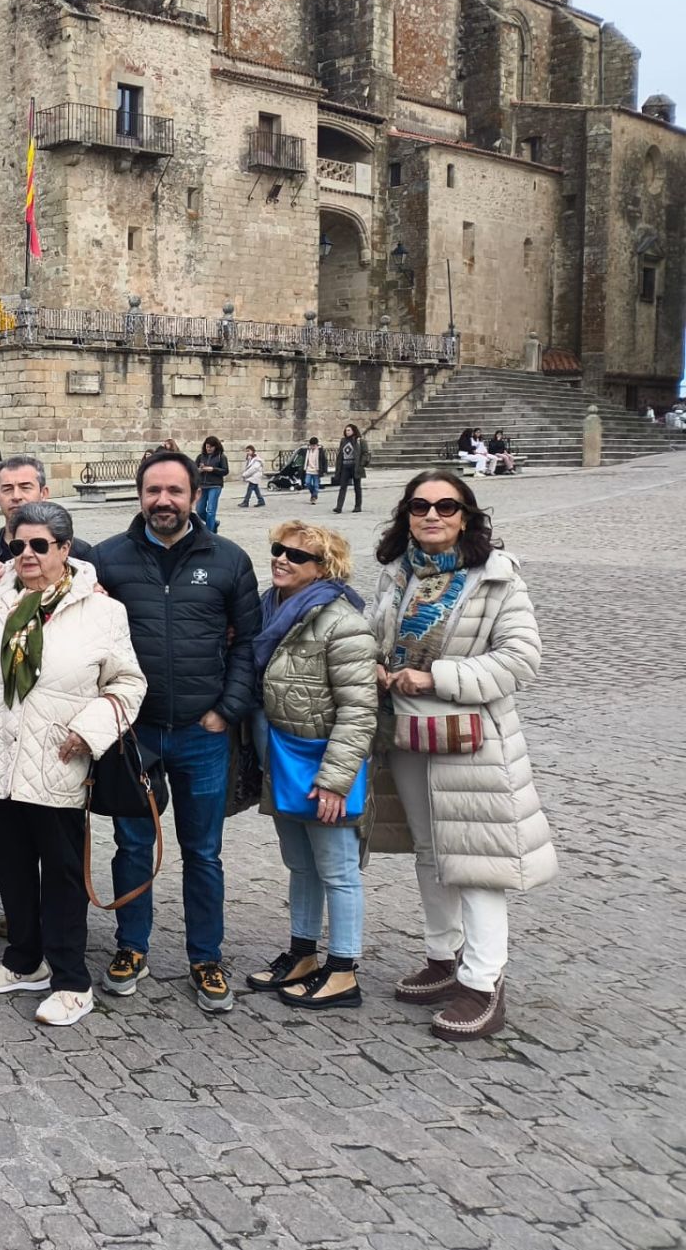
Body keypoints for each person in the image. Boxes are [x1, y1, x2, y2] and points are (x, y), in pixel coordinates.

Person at [368, 471, 551, 1041]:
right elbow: (376, 636)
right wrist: (371, 663)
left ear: (466, 516)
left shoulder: (497, 579)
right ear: (406, 516)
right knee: (430, 849)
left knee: (475, 858)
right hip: (406, 733)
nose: (432, 515)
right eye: (420, 506)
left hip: (470, 735)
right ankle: (443, 956)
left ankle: (484, 980)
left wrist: (436, 677)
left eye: (446, 506)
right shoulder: (397, 575)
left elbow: (521, 659)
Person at [0, 502, 145, 1027]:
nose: (28, 555)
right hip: (0, 759)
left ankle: (70, 979)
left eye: (40, 545)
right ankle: (24, 959)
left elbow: (128, 683)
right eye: (18, 546)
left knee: (61, 873)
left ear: (64, 548)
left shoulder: (102, 611)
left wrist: (90, 729)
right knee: (11, 866)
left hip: (60, 759)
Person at [89, 449, 260, 1014]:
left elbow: (248, 645)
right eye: (153, 491)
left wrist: (226, 710)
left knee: (203, 852)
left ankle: (204, 956)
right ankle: (130, 947)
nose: (163, 501)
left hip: (201, 731)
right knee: (133, 844)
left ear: (194, 495)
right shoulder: (108, 561)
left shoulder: (229, 560)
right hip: (134, 732)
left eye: (175, 491)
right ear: (140, 496)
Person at [244, 521, 377, 1009]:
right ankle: (302, 953)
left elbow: (360, 711)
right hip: (282, 757)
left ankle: (343, 970)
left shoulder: (343, 623)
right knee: (300, 864)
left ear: (325, 569)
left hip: (323, 764)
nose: (281, 559)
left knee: (338, 869)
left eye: (296, 556)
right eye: (278, 549)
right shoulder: (269, 609)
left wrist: (336, 781)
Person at [0, 456, 92, 568]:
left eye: (25, 487)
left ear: (44, 493)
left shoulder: (79, 552)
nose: (16, 496)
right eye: (7, 489)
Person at [196, 436, 229, 532]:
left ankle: (209, 532)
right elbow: (193, 469)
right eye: (207, 447)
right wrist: (199, 470)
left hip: (215, 485)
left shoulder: (221, 457)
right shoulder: (200, 457)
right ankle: (214, 523)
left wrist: (213, 469)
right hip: (202, 485)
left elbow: (225, 471)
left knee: (211, 510)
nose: (208, 449)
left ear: (216, 447)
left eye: (211, 447)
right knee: (199, 509)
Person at [303, 435, 329, 503]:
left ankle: (314, 497)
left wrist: (325, 470)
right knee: (307, 482)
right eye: (311, 445)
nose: (313, 447)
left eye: (314, 445)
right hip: (309, 469)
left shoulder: (320, 451)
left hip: (317, 470)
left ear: (317, 445)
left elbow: (324, 461)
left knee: (316, 485)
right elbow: (305, 460)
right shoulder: (308, 450)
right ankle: (313, 494)